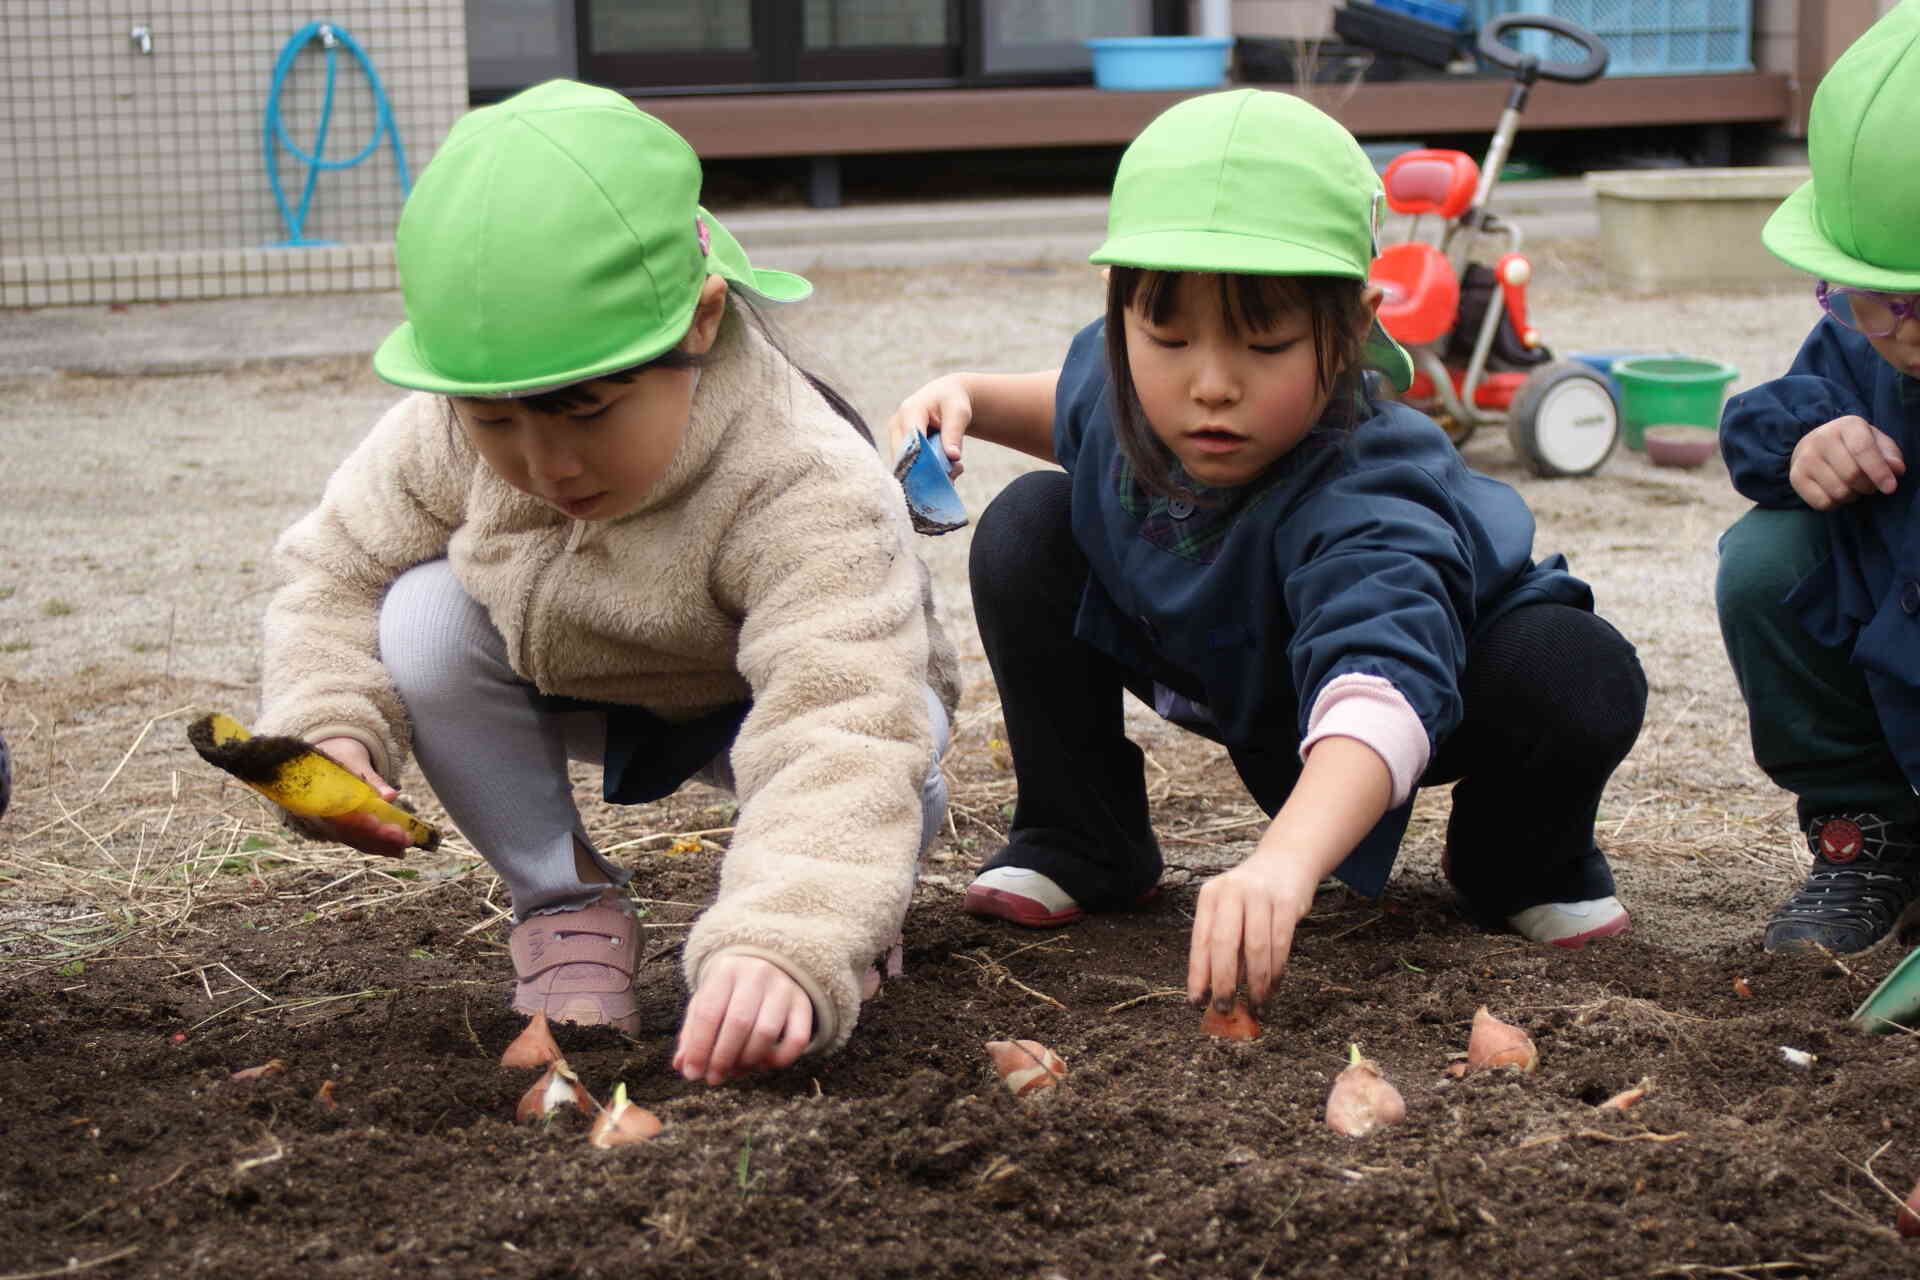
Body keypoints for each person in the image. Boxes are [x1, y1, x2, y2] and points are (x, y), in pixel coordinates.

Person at [254, 80, 959, 1083]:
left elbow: (841, 718)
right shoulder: (448, 428)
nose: (547, 466)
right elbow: (335, 572)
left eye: (586, 411)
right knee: (419, 617)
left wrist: (785, 934)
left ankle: (854, 903)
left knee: (891, 751)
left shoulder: (802, 476)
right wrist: (323, 730)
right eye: (495, 423)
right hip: (590, 676)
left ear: (702, 323)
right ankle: (567, 904)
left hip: (788, 702)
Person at [888, 89, 1646, 1014]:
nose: (1210, 385)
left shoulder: (1370, 482)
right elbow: (1078, 404)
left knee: (1576, 668)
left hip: (1426, 693)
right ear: (1120, 310)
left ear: (1354, 326)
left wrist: (1283, 863)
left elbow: (1384, 684)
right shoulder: (1130, 378)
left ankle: (1515, 860)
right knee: (1030, 525)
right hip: (1253, 677)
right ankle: (1081, 837)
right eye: (1167, 335)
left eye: (1267, 341)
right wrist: (962, 392)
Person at [1715, 0, 1920, 956]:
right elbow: (1762, 416)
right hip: (1895, 668)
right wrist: (1807, 441)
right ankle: (1870, 843)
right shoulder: (1869, 351)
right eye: (1869, 297)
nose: (1898, 328)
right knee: (1767, 558)